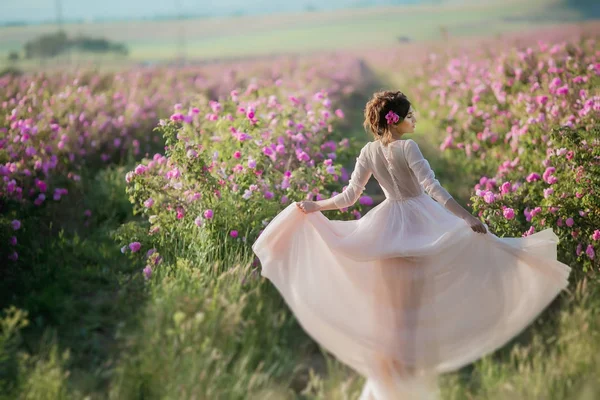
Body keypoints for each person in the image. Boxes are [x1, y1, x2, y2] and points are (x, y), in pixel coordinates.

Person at [252, 90, 572, 399]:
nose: (413, 120)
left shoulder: (369, 152)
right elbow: (432, 187)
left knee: (392, 315)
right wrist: (466, 217)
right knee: (411, 313)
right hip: (420, 226)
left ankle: (393, 381)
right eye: (409, 115)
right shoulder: (408, 148)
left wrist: (317, 205)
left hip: (385, 229)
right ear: (395, 121)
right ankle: (404, 383)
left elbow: (349, 197)